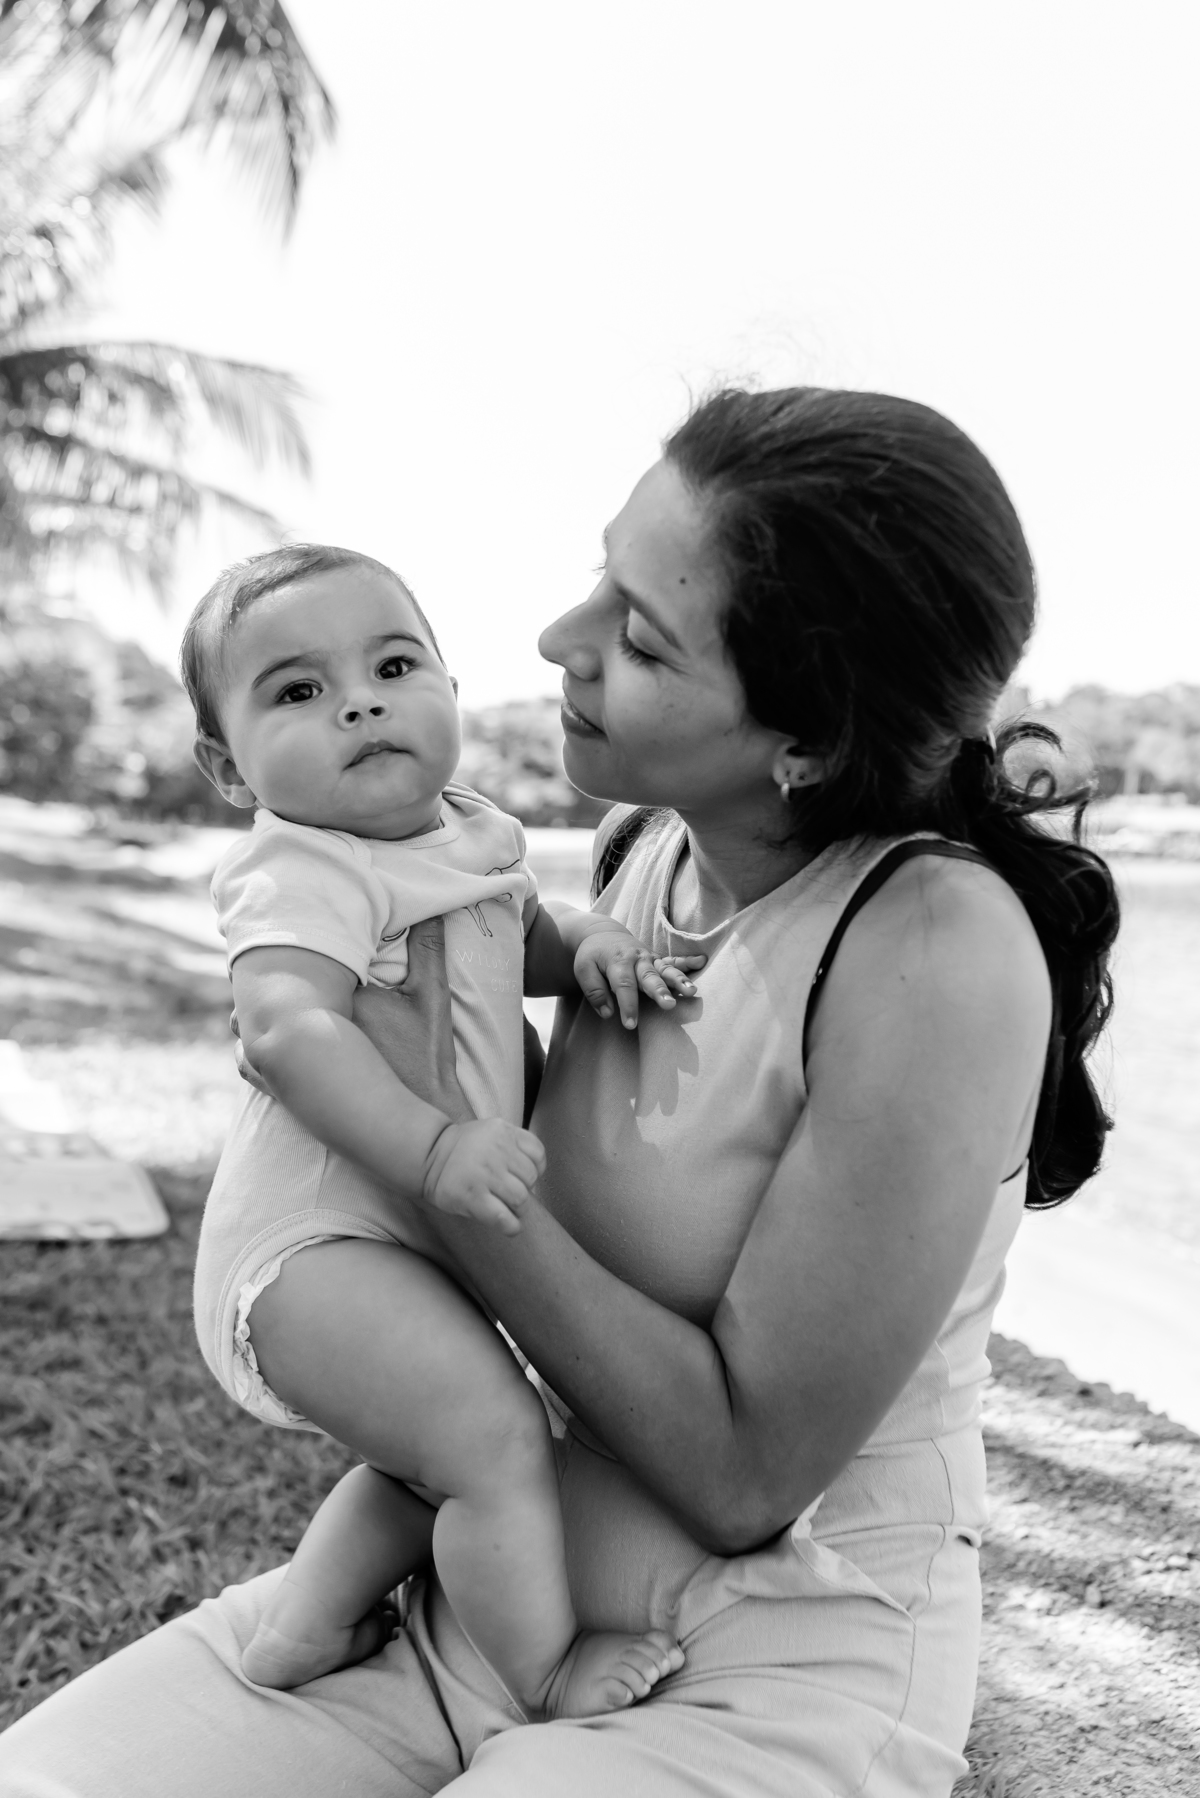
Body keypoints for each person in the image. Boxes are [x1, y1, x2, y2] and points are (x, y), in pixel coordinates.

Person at [0, 386, 1117, 1798]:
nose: (555, 639)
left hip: (765, 1665)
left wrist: (424, 1154)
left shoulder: (929, 946)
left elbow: (744, 1472)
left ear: (809, 739)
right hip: (473, 1618)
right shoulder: (646, 845)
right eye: (605, 574)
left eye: (640, 633)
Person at [182, 543, 696, 1713]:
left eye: (393, 663)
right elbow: (285, 1030)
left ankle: (306, 1626)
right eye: (297, 690)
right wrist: (432, 1145)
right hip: (314, 1252)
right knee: (491, 1433)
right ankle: (546, 1668)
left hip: (406, 1237)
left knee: (430, 1450)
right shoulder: (304, 866)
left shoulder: (470, 832)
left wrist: (590, 948)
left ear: (452, 693)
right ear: (227, 764)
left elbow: (515, 934)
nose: (358, 700)